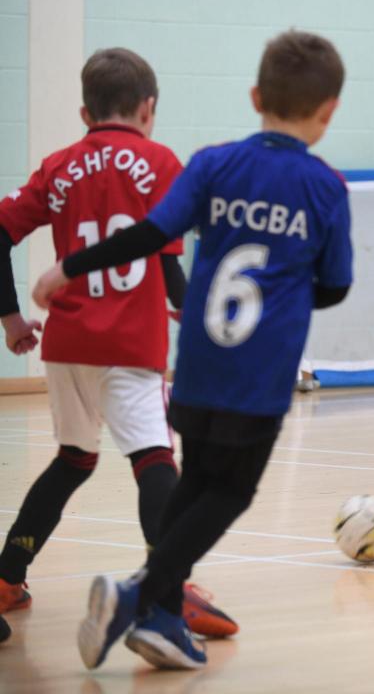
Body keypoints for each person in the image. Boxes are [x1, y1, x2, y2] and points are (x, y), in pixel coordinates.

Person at [33, 30, 353, 670]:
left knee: (196, 484)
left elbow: (150, 234)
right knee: (230, 493)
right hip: (258, 376)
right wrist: (289, 292)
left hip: (198, 364)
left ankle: (160, 621)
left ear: (256, 96)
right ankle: (136, 596)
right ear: (330, 110)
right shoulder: (324, 186)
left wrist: (69, 267)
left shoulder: (211, 164)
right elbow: (336, 286)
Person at [0, 48, 235, 642]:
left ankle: (6, 576)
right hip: (129, 344)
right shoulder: (159, 161)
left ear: (86, 112)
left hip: (65, 345)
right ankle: (168, 590)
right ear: (148, 108)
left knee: (74, 458)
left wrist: (11, 319)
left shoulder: (58, 166)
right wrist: (190, 313)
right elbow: (168, 254)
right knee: (154, 458)